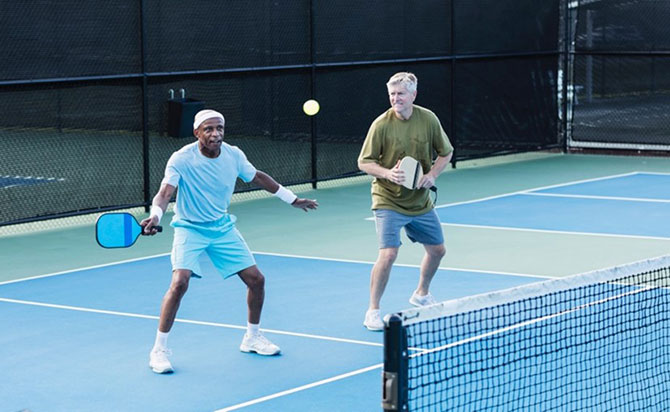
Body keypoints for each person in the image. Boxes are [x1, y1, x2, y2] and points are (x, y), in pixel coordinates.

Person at [141, 109, 318, 373]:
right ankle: (159, 350)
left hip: (221, 228)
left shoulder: (234, 155)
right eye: (209, 129)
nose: (216, 134)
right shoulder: (181, 159)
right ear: (197, 132)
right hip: (190, 228)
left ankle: (252, 337)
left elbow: (257, 176)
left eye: (220, 128)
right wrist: (155, 216)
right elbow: (165, 192)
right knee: (179, 282)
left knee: (257, 280)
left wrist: (291, 199)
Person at [357, 72, 454, 331]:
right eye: (392, 94)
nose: (395, 99)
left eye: (400, 94)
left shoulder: (428, 119)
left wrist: (432, 174)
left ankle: (421, 293)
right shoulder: (381, 124)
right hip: (387, 199)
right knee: (388, 254)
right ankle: (373, 311)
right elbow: (364, 162)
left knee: (438, 251)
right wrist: (388, 173)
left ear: (413, 95)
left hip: (419, 200)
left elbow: (446, 152)